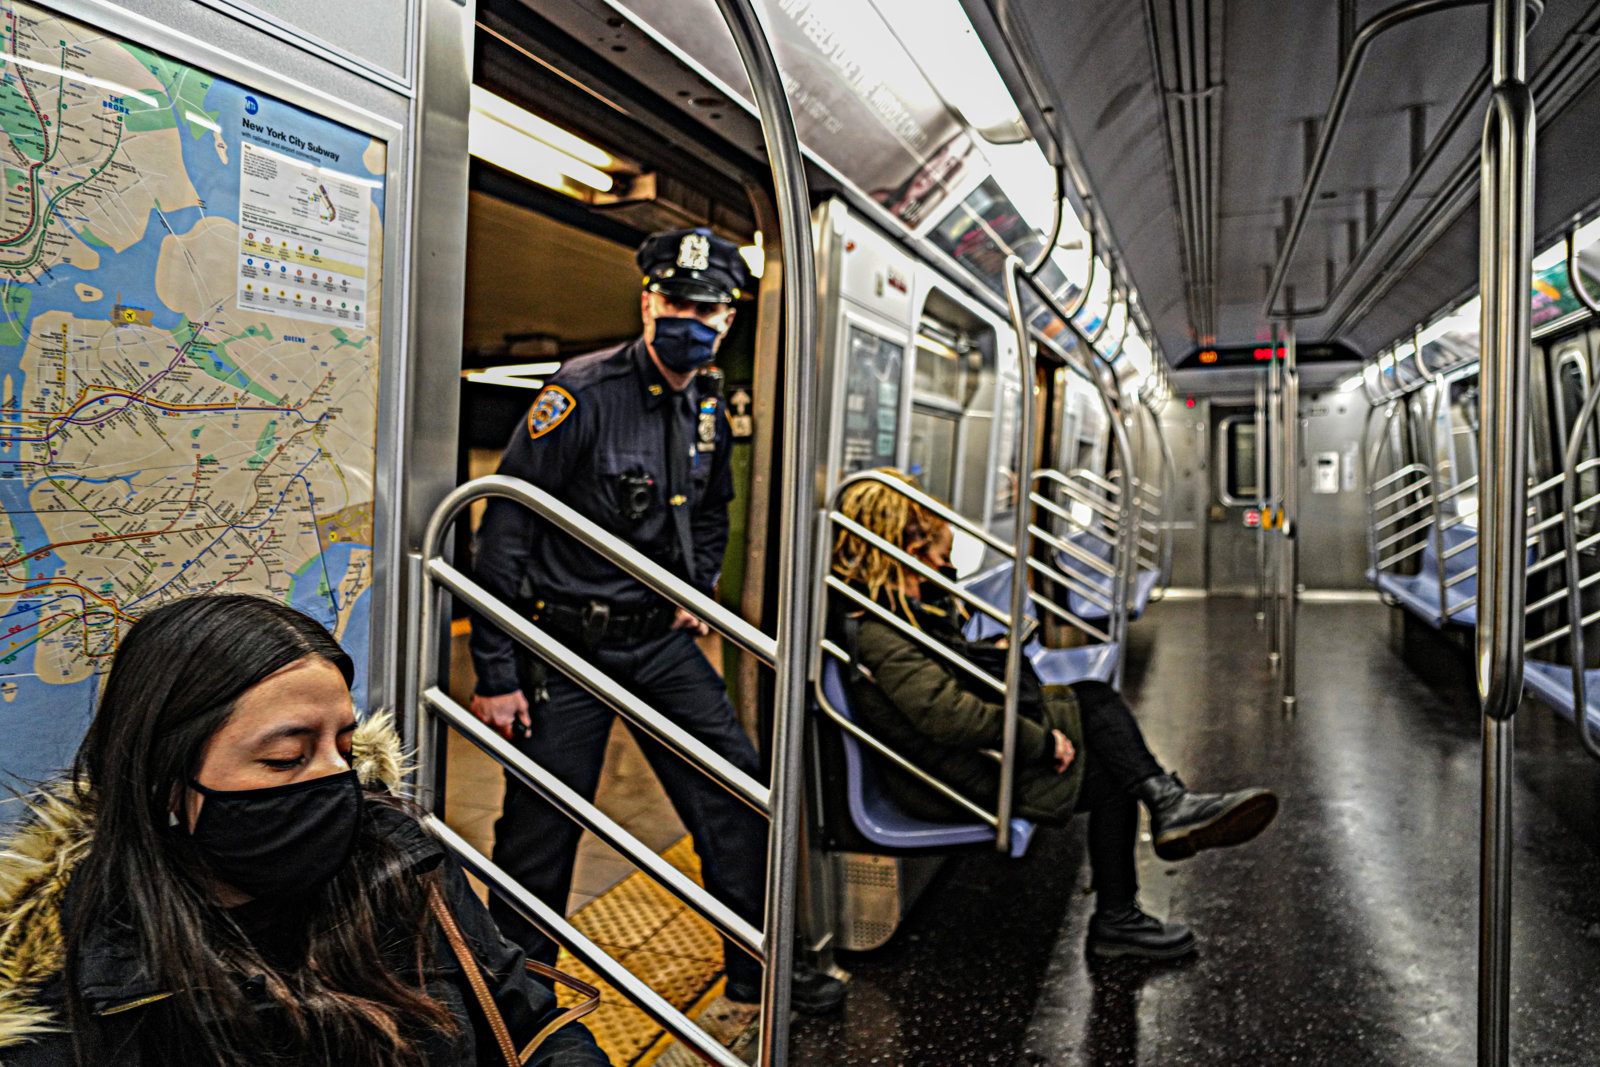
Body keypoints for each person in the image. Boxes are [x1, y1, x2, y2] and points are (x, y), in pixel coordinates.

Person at [467, 227, 843, 1014]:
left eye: (708, 308)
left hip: (659, 643)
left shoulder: (705, 400)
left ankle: (757, 971)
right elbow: (504, 529)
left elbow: (714, 512)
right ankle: (519, 1005)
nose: (691, 319)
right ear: (648, 301)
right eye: (676, 301)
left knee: (736, 798)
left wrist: (693, 586)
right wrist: (497, 675)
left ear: (729, 320)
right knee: (539, 835)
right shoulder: (580, 392)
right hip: (563, 644)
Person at [0, 594, 608, 1066]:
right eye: (287, 758)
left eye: (344, 747)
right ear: (165, 780)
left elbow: (528, 1021)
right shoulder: (87, 974)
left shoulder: (397, 859)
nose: (336, 782)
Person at [829, 471, 1279, 959]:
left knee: (1092, 699)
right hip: (949, 777)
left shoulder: (905, 608)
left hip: (965, 755)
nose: (944, 567)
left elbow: (941, 682)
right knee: (1111, 774)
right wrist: (1042, 742)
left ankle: (1164, 809)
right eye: (937, 557)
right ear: (903, 552)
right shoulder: (880, 629)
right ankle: (1128, 895)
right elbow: (948, 717)